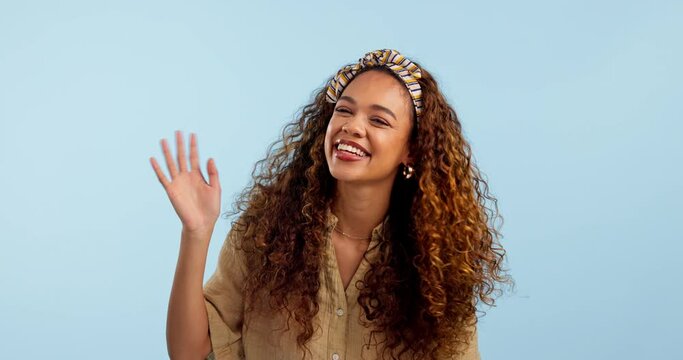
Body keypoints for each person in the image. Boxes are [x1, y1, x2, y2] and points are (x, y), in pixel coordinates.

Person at [151, 49, 513, 360]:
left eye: (378, 120)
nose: (352, 126)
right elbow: (190, 352)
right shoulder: (265, 231)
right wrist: (196, 233)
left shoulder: (438, 262)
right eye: (344, 110)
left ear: (411, 150)